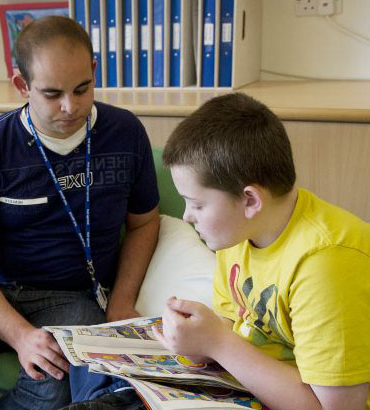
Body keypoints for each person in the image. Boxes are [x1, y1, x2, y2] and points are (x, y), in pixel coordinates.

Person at [0, 16, 159, 410]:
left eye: (82, 89)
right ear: (21, 86)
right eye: (51, 93)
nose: (70, 107)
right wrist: (20, 336)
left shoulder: (125, 132)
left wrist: (122, 300)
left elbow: (145, 223)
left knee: (54, 392)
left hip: (71, 299)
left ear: (94, 71)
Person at [154, 92, 370, 410]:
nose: (187, 216)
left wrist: (218, 343)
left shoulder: (326, 263)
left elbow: (336, 408)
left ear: (251, 200)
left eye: (197, 204)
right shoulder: (238, 234)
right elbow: (234, 321)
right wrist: (198, 341)